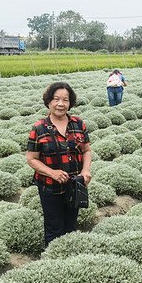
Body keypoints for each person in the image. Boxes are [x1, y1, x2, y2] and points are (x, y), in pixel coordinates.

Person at [26, 81, 92, 246]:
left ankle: (69, 260)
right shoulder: (39, 128)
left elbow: (86, 151)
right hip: (49, 187)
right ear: (49, 101)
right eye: (56, 99)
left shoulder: (78, 123)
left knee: (70, 226)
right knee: (54, 228)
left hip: (75, 185)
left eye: (65, 100)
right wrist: (52, 173)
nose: (61, 104)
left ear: (70, 103)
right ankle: (54, 260)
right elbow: (31, 159)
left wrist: (85, 171)